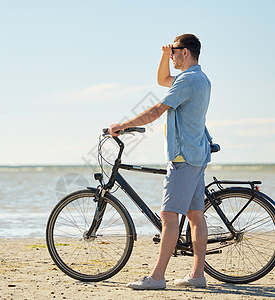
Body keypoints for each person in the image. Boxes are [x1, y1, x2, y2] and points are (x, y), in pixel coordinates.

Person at [108, 33, 211, 290]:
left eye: (175, 51)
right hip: (197, 153)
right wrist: (164, 54)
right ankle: (197, 275)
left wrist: (123, 124)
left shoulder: (187, 81)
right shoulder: (199, 78)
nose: (173, 54)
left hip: (183, 156)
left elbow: (155, 111)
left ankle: (156, 278)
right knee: (195, 215)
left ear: (185, 52)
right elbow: (162, 79)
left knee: (168, 215)